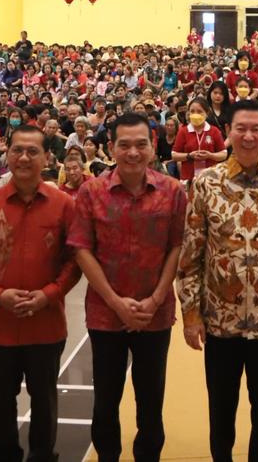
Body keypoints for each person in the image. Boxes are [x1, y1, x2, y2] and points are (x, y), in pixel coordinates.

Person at [178, 100, 258, 462]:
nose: (249, 136)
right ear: (228, 132)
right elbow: (191, 254)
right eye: (241, 129)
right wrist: (191, 314)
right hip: (219, 322)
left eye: (256, 129)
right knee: (221, 410)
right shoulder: (206, 183)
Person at [68, 113, 187, 462]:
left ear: (152, 146)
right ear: (111, 147)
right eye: (124, 145)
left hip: (155, 315)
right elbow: (81, 249)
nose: (133, 152)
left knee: (151, 401)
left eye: (140, 144)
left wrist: (156, 298)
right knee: (105, 400)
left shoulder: (172, 191)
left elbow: (177, 246)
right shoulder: (91, 192)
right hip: (105, 315)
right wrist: (116, 302)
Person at [0, 124, 80, 462]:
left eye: (32, 151)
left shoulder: (64, 205)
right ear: (7, 154)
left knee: (44, 399)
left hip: (47, 324)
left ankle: (42, 455)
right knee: (0, 400)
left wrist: (50, 294)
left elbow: (75, 260)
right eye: (17, 150)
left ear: (47, 157)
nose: (24, 157)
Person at [171, 98, 227, 183]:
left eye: (199, 111)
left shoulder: (214, 131)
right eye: (192, 111)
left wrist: (210, 155)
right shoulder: (183, 131)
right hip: (188, 179)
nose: (195, 114)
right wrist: (189, 156)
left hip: (210, 180)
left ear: (207, 113)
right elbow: (174, 155)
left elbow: (223, 154)